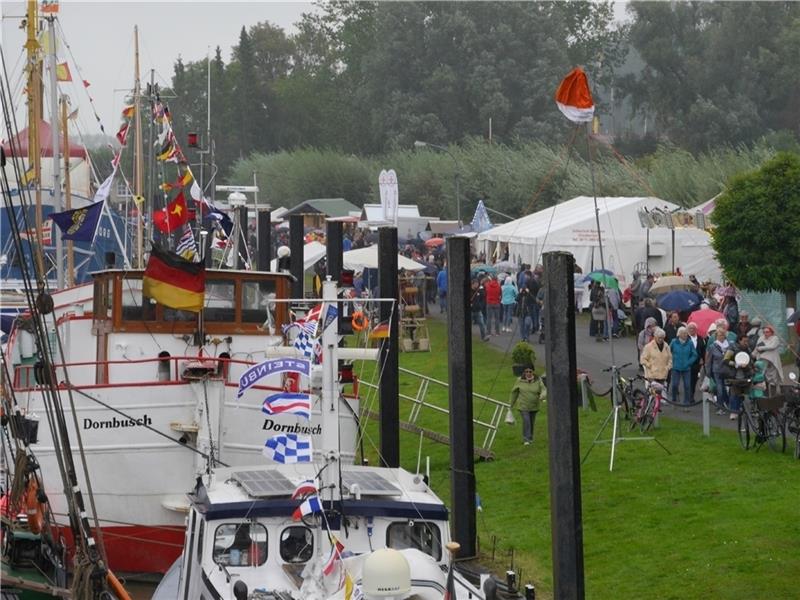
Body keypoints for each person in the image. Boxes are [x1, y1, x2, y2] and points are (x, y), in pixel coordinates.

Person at [508, 367, 547, 446]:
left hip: (534, 406)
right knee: (526, 421)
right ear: (524, 373)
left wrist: (543, 395)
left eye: (530, 371)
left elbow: (544, 389)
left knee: (531, 422)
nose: (528, 373)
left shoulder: (538, 380)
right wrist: (510, 405)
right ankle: (526, 439)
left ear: (533, 372)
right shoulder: (519, 381)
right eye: (526, 372)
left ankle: (530, 438)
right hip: (523, 405)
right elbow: (514, 393)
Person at [706, 327, 734, 414]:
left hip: (728, 370)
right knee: (719, 390)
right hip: (717, 371)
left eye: (722, 335)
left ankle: (729, 404)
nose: (721, 336)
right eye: (719, 335)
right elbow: (709, 360)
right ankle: (720, 407)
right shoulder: (712, 346)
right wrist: (708, 372)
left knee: (728, 390)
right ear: (716, 336)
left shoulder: (730, 345)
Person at [669, 326, 698, 408]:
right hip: (676, 367)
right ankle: (674, 400)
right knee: (674, 385)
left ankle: (686, 403)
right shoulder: (674, 342)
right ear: (679, 334)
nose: (685, 335)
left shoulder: (690, 343)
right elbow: (668, 352)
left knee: (687, 386)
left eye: (686, 333)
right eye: (683, 333)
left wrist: (689, 362)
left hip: (686, 368)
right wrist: (672, 361)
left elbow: (694, 354)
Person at [686, 322, 706, 397]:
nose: (692, 330)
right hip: (688, 362)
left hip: (697, 362)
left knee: (694, 379)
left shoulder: (700, 339)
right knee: (688, 379)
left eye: (693, 328)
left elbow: (703, 350)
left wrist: (703, 360)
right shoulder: (686, 338)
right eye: (690, 328)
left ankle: (692, 393)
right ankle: (689, 396)